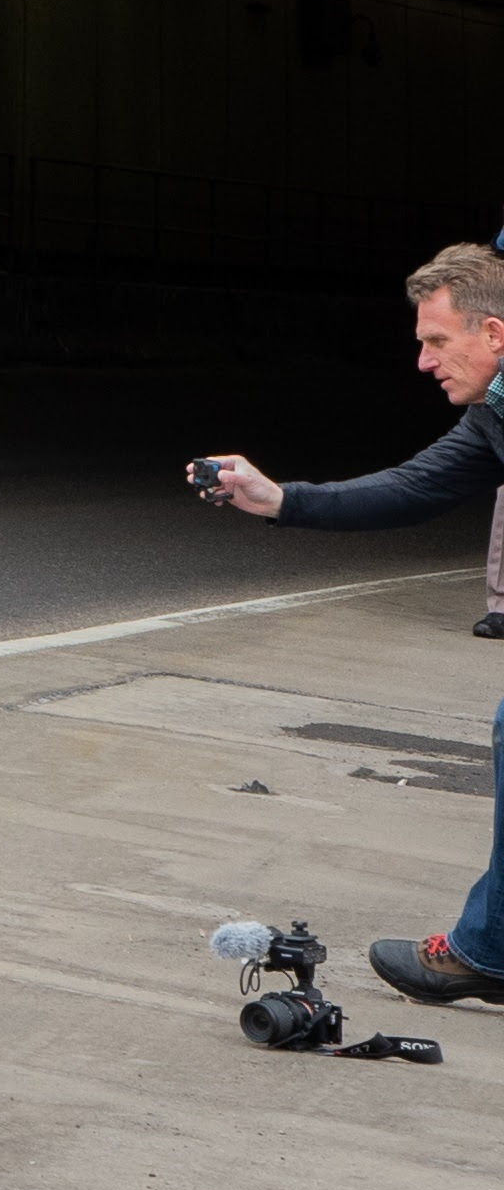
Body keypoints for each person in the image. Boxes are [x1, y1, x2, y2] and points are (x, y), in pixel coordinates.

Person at [196, 244, 504, 1003]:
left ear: (494, 334)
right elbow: (415, 486)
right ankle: (490, 949)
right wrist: (280, 500)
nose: (424, 362)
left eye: (437, 340)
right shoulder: (496, 412)